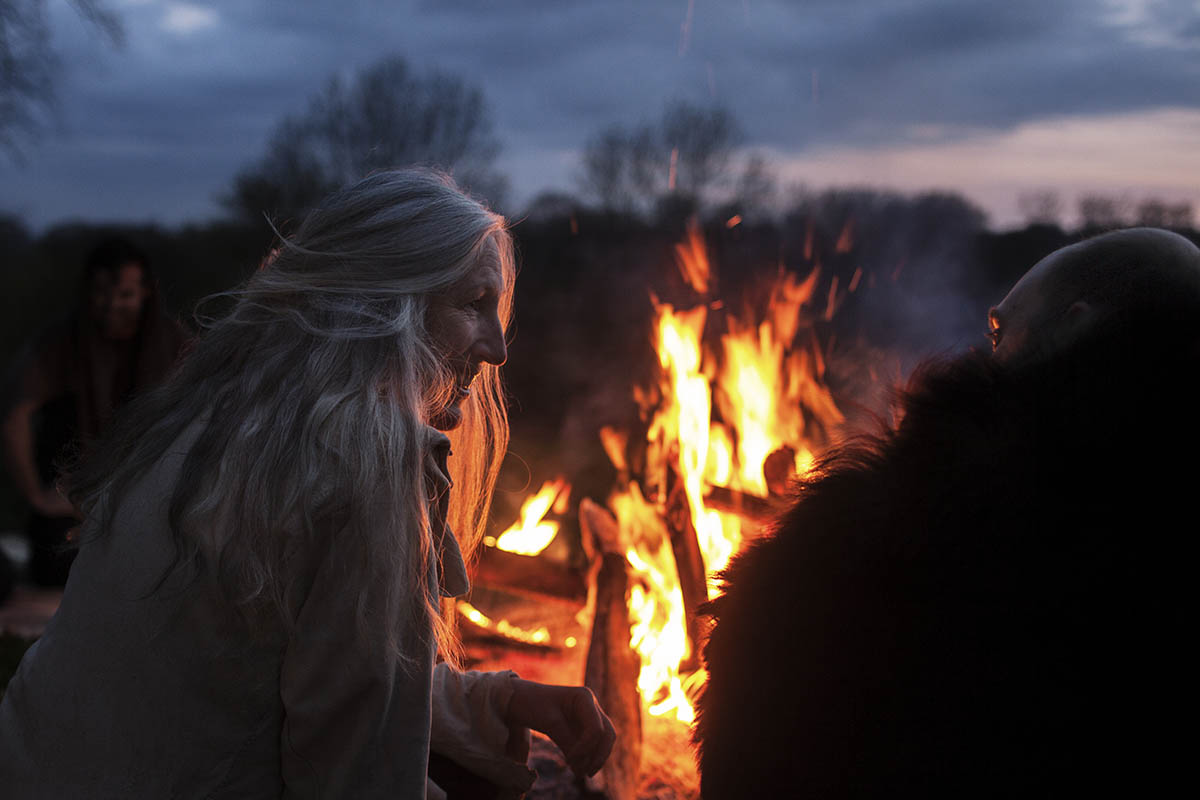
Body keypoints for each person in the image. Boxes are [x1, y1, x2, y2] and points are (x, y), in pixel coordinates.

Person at [0, 169, 615, 798]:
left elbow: (309, 666)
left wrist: (505, 703)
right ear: (382, 306)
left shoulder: (221, 409)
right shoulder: (365, 458)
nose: (497, 350)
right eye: (472, 304)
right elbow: (355, 771)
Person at [694, 228, 1200, 797]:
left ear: (1075, 326)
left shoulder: (879, 540)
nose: (983, 349)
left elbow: (748, 752)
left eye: (998, 331)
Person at [1, 237, 188, 586]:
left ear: (146, 292)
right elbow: (15, 415)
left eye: (125, 295)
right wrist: (39, 497)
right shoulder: (62, 339)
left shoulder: (170, 340)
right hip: (73, 496)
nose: (112, 306)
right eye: (102, 293)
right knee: (59, 572)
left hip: (149, 495)